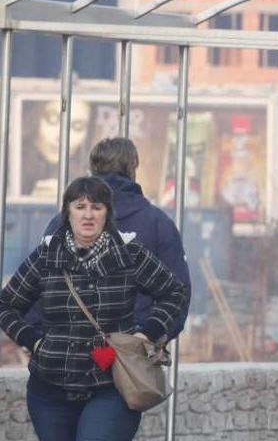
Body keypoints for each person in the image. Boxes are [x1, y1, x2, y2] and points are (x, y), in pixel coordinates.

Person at [2, 177, 190, 441]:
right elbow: (7, 304)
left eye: (96, 207)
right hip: (51, 387)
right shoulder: (47, 257)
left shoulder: (129, 254)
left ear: (107, 213)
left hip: (110, 384)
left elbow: (174, 293)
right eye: (80, 206)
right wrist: (34, 340)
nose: (88, 215)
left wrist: (146, 332)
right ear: (68, 212)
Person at [40, 137, 189, 335]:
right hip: (130, 349)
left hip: (68, 349)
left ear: (92, 169)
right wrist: (149, 336)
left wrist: (37, 340)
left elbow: (36, 287)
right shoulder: (159, 223)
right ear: (132, 169)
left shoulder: (63, 222)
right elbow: (178, 292)